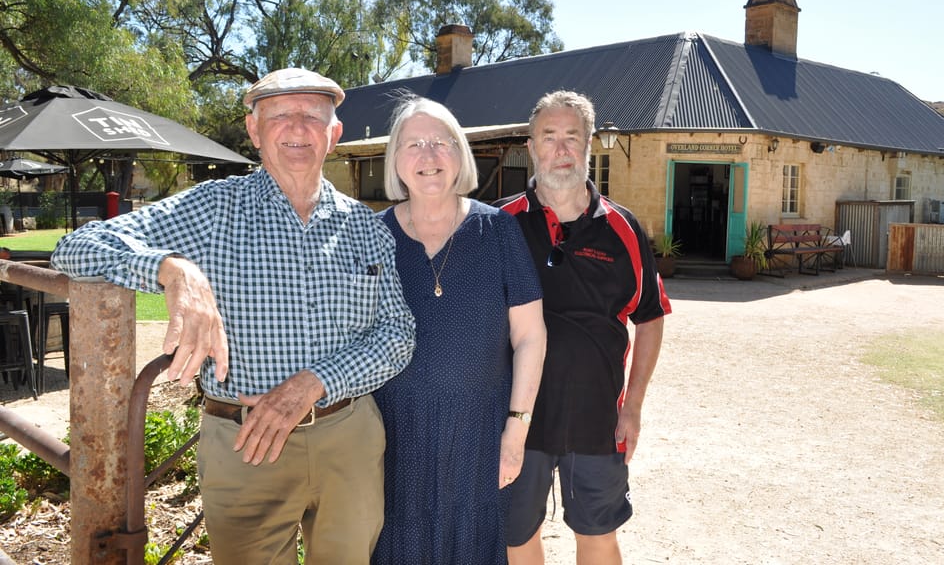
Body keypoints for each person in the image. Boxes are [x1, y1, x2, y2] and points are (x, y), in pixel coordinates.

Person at [50, 67, 416, 564]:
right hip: (245, 445)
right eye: (280, 115)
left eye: (312, 115)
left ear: (334, 134)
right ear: (253, 131)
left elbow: (396, 333)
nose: (297, 127)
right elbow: (76, 246)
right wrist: (171, 268)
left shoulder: (365, 227)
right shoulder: (213, 207)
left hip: (347, 435)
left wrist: (313, 382)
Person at [496, 90, 672, 565]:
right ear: (530, 147)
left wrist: (632, 406)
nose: (560, 149)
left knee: (598, 535)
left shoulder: (623, 228)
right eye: (548, 137)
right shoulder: (497, 226)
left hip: (597, 417)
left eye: (572, 137)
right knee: (514, 536)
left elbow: (651, 317)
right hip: (516, 420)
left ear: (589, 145)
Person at [372, 95, 547, 564]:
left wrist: (516, 430)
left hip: (481, 431)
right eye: (413, 144)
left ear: (459, 153)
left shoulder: (498, 232)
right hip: (393, 433)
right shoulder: (370, 237)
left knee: (474, 546)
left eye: (440, 142)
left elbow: (530, 336)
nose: (428, 157)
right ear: (396, 160)